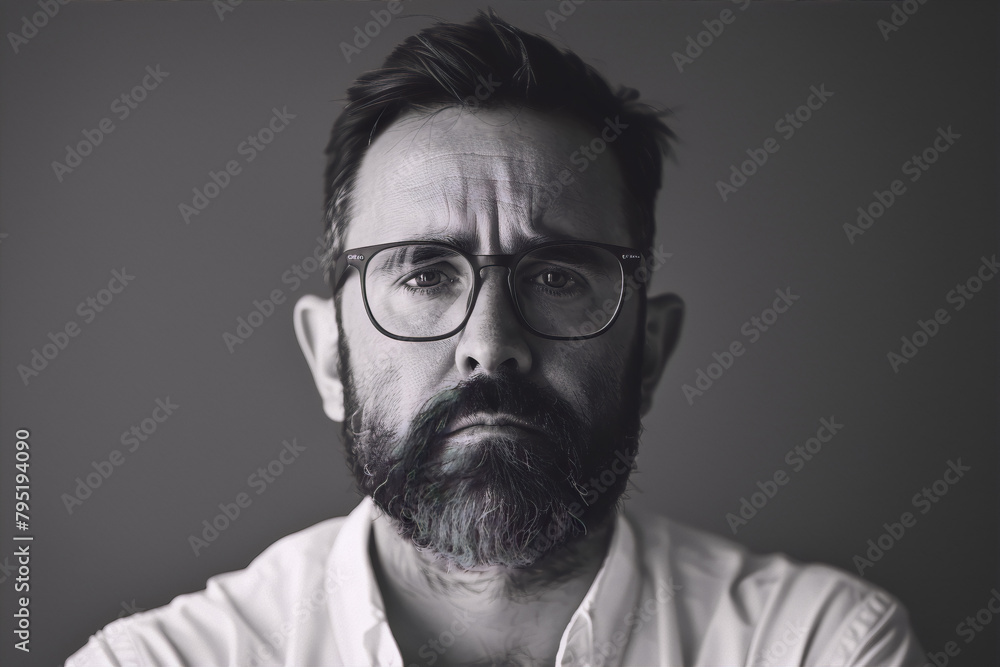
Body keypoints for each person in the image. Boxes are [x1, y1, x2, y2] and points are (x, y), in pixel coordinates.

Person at [67, 11, 923, 667]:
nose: (489, 343)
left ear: (650, 349)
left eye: (555, 275)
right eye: (424, 273)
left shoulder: (816, 646)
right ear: (330, 354)